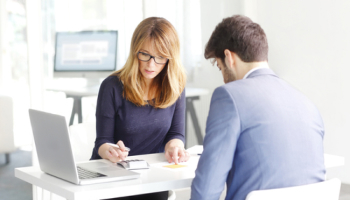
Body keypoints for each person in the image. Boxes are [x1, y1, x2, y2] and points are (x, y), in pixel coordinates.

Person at [190, 15, 326, 200]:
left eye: (220, 68)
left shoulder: (229, 95)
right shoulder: (307, 104)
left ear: (229, 57)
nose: (223, 78)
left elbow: (207, 189)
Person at [91, 17, 189, 200]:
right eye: (145, 54)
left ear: (170, 58)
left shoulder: (176, 86)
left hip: (152, 177)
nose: (151, 64)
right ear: (135, 51)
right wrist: (111, 151)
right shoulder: (112, 86)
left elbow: (176, 134)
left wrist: (174, 148)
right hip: (112, 175)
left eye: (160, 57)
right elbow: (102, 142)